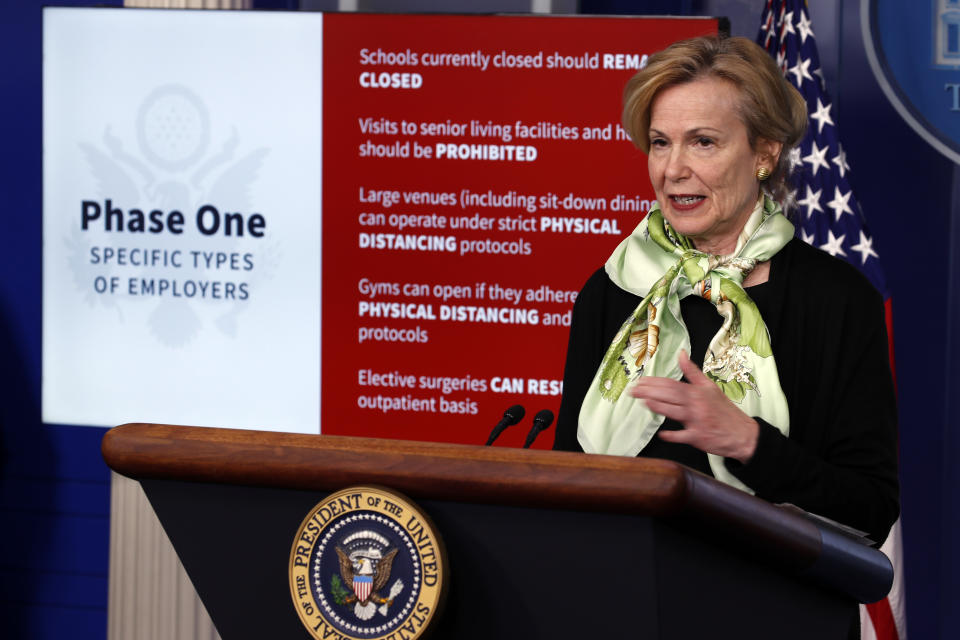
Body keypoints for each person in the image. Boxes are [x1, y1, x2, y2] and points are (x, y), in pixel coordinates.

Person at [552, 35, 899, 548]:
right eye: (661, 142)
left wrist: (750, 443)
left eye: (703, 142)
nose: (672, 170)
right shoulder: (616, 287)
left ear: (764, 154)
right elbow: (568, 475)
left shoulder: (836, 301)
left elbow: (870, 512)